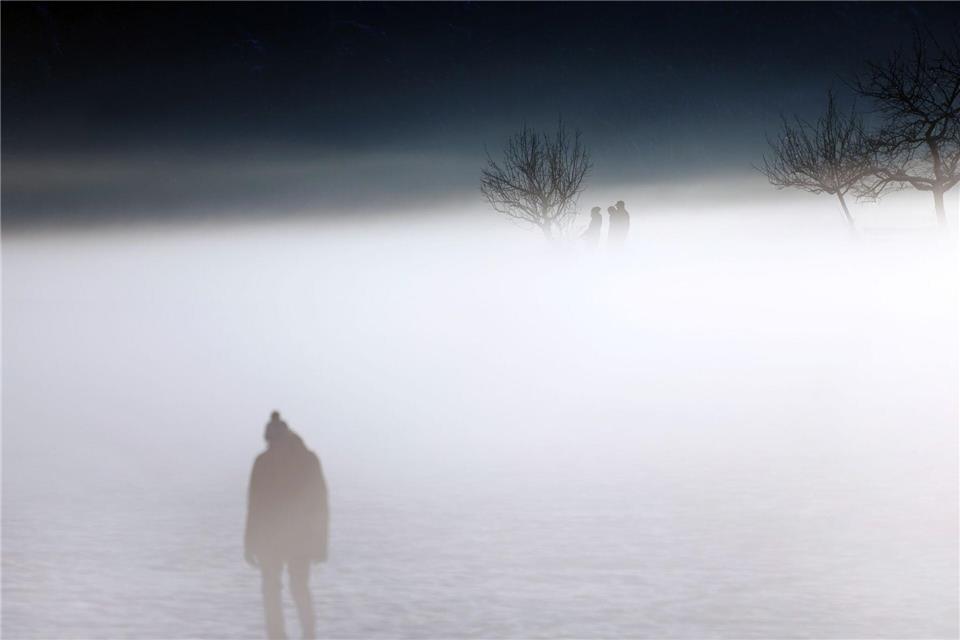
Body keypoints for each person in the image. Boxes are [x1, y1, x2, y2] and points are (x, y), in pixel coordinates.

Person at [245, 411, 329, 640]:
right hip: (293, 538)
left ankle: (292, 635)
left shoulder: (265, 462)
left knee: (280, 590)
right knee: (293, 589)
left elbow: (255, 506)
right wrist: (320, 543)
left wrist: (250, 542)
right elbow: (320, 504)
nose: (270, 445)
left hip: (278, 537)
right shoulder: (307, 460)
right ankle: (296, 635)